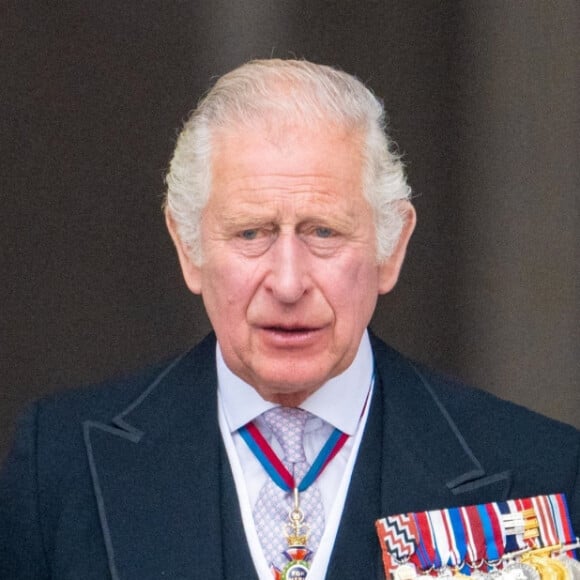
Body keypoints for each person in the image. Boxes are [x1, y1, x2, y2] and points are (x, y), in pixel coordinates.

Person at [0, 59, 578, 580]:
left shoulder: (541, 471)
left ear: (391, 245)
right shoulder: (59, 468)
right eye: (250, 233)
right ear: (188, 248)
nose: (287, 282)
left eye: (323, 232)